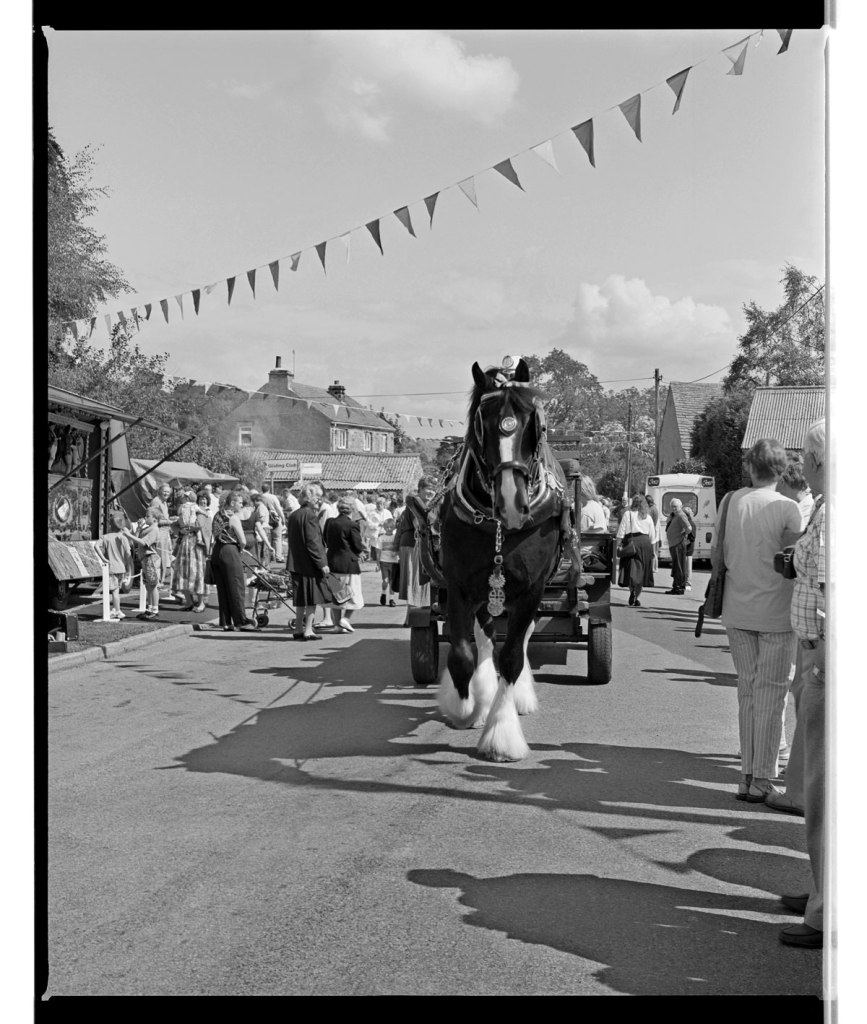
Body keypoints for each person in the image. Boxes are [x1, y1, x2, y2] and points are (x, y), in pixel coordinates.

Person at [713, 438, 803, 803]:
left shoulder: (730, 501)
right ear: (782, 471)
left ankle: (746, 774)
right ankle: (763, 777)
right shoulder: (788, 508)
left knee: (747, 691)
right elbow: (794, 565)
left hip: (737, 609)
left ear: (750, 467)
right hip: (777, 613)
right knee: (771, 694)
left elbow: (718, 555)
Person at [776, 419, 826, 950]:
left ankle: (827, 912)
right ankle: (819, 894)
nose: (803, 467)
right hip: (817, 655)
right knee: (817, 794)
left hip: (825, 661)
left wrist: (824, 664)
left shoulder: (833, 512)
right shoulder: (828, 508)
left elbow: (834, 590)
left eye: (808, 458)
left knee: (825, 795)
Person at [285, 483, 334, 641]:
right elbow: (313, 543)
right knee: (312, 598)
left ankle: (299, 628)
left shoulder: (293, 515)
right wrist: (322, 563)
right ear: (310, 498)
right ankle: (308, 630)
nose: (319, 502)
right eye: (317, 498)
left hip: (296, 562)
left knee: (300, 598)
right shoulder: (310, 516)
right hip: (309, 564)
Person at [210, 489, 258, 632]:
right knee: (236, 586)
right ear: (232, 503)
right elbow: (242, 541)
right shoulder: (233, 518)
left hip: (217, 551)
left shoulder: (218, 515)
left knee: (223, 588)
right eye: (240, 503)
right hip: (230, 551)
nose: (241, 506)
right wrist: (241, 547)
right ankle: (241, 621)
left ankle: (226, 621)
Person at [396, 477, 436, 626]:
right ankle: (411, 618)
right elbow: (421, 525)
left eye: (433, 489)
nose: (431, 492)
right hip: (414, 544)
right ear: (420, 489)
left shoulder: (426, 504)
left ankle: (411, 616)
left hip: (419, 544)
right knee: (416, 580)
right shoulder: (415, 503)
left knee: (420, 582)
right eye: (427, 488)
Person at [323, 497, 366, 632]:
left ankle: (337, 625)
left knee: (336, 595)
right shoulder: (352, 525)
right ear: (352, 509)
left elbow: (325, 539)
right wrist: (362, 551)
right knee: (353, 594)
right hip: (348, 564)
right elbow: (357, 545)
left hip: (332, 562)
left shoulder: (329, 522)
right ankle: (345, 619)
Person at [615, 494, 657, 606]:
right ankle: (636, 596)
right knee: (641, 573)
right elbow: (652, 537)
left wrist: (618, 545)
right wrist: (654, 553)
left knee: (631, 571)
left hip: (630, 544)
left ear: (633, 503)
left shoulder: (627, 514)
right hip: (645, 545)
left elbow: (621, 532)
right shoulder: (648, 517)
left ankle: (632, 592)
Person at [123, 508, 163, 621]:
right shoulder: (147, 529)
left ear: (155, 519)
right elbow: (137, 539)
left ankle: (155, 610)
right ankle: (149, 609)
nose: (145, 518)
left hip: (151, 559)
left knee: (153, 585)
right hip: (145, 559)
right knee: (148, 585)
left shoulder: (154, 530)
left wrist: (127, 534)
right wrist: (139, 529)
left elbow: (143, 542)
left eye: (148, 516)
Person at [171, 489, 207, 612]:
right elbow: (175, 525)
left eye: (205, 500)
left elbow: (205, 528)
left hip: (196, 546)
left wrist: (196, 529)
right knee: (182, 572)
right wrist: (180, 531)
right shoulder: (183, 509)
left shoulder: (202, 514)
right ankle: (189, 601)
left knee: (196, 572)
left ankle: (201, 602)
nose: (203, 501)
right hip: (185, 543)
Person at [97, 511, 133, 620]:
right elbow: (128, 553)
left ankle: (116, 610)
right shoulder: (124, 537)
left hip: (111, 568)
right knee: (116, 590)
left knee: (113, 591)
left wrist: (103, 558)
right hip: (121, 568)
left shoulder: (105, 537)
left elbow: (96, 546)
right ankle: (116, 609)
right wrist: (127, 565)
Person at [148, 483, 177, 588]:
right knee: (160, 556)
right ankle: (159, 580)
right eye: (164, 491)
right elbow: (154, 520)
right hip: (159, 532)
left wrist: (171, 519)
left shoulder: (164, 503)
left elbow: (164, 518)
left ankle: (162, 580)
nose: (166, 494)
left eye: (168, 492)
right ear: (159, 491)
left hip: (165, 532)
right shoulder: (156, 502)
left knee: (165, 557)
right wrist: (171, 522)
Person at [664, 498, 692, 595]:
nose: (674, 508)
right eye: (672, 507)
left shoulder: (681, 515)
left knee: (679, 566)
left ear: (680, 506)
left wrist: (683, 534)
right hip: (674, 544)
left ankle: (679, 587)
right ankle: (676, 586)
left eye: (675, 507)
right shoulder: (674, 515)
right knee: (676, 566)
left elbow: (689, 528)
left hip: (678, 544)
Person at [260, 483, 286, 562]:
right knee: (277, 538)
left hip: (264, 519)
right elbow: (278, 508)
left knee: (267, 538)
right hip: (274, 519)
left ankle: (269, 556)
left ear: (262, 489)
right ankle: (278, 556)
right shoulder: (273, 497)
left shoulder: (260, 497)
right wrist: (283, 518)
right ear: (269, 489)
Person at [377, 516, 399, 606]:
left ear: (394, 528)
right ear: (384, 528)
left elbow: (398, 548)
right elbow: (378, 551)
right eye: (387, 527)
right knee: (385, 580)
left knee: (392, 581)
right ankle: (383, 593)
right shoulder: (381, 538)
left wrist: (396, 553)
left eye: (391, 527)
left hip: (394, 562)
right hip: (384, 562)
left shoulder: (395, 537)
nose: (389, 529)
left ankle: (391, 599)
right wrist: (377, 563)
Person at [682, 504, 697, 591]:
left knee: (688, 566)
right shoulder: (685, 523)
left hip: (689, 548)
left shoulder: (691, 524)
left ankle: (688, 582)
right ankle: (683, 581)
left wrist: (683, 544)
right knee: (684, 566)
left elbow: (692, 538)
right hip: (683, 547)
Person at [645, 494, 661, 572]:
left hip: (652, 531)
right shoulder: (653, 508)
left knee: (653, 551)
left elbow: (654, 522)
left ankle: (654, 567)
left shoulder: (653, 509)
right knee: (652, 551)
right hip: (651, 531)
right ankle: (652, 567)